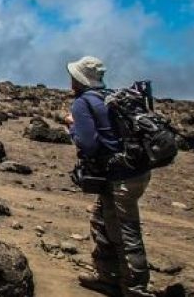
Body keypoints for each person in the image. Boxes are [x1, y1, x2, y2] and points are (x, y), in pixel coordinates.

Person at [65, 56, 151, 297]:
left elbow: (88, 144)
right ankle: (107, 276)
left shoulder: (83, 103)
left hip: (120, 174)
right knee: (102, 219)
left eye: (74, 76)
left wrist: (72, 125)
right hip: (137, 169)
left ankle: (134, 289)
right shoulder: (111, 96)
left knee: (124, 230)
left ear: (80, 79)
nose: (70, 80)